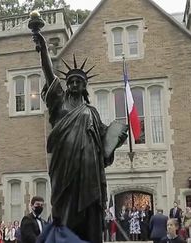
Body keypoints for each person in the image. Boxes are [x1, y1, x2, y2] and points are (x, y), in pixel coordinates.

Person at [31, 24, 127, 243]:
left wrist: (117, 138)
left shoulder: (91, 112)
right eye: (71, 81)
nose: (74, 84)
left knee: (90, 217)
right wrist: (43, 49)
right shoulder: (59, 102)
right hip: (64, 170)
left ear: (84, 87)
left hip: (89, 173)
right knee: (65, 213)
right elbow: (48, 73)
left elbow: (105, 146)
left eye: (78, 82)